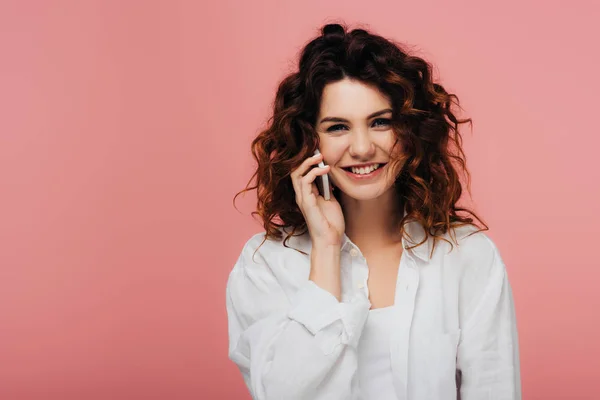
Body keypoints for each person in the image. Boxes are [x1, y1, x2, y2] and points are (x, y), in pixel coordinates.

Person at [226, 22, 521, 400]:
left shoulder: (467, 257)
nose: (362, 148)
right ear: (308, 141)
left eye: (380, 122)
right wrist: (327, 251)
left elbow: (495, 389)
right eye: (337, 128)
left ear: (409, 129)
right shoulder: (265, 266)